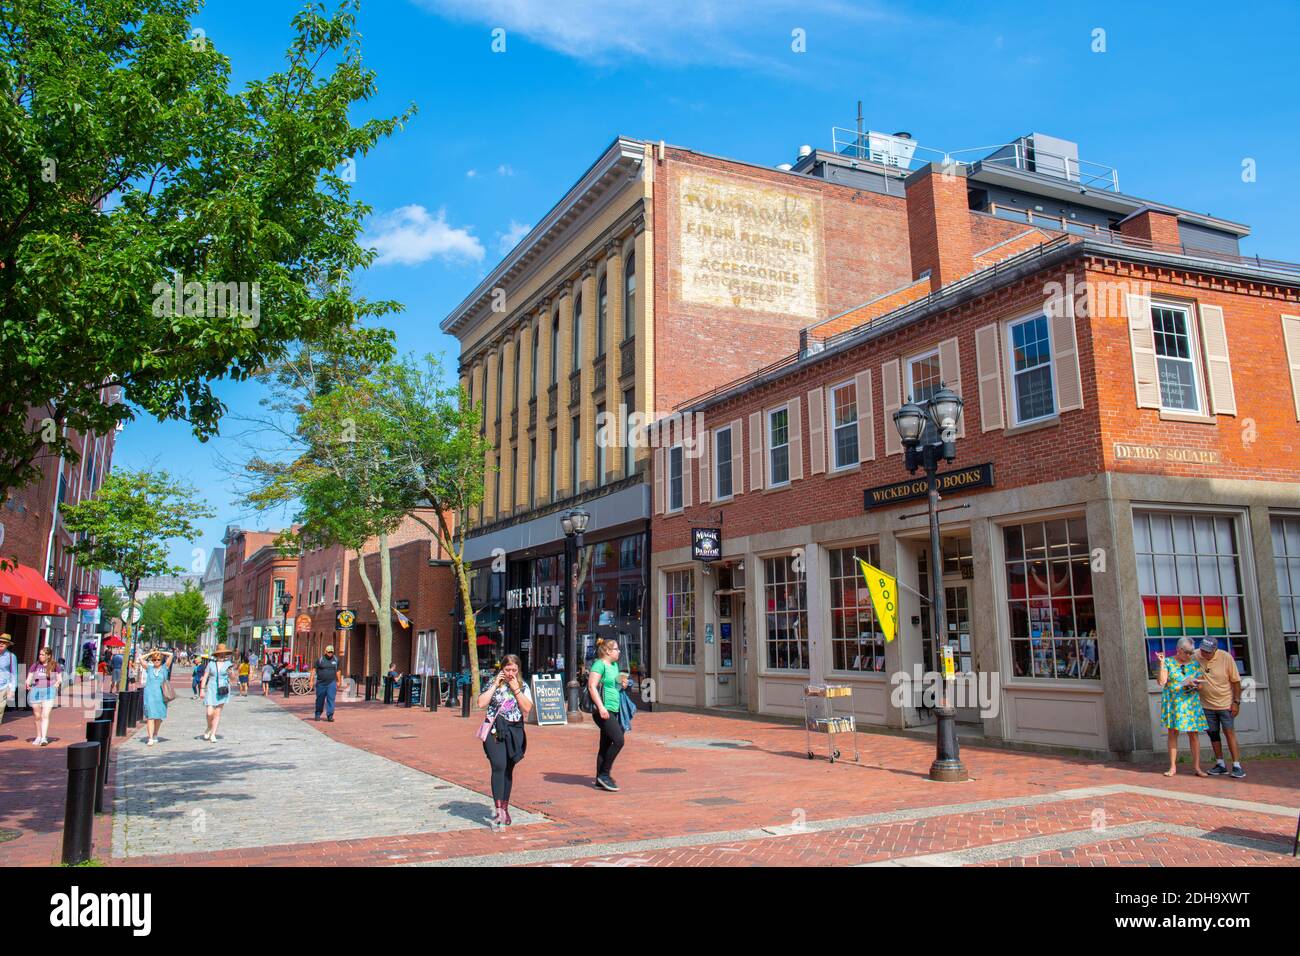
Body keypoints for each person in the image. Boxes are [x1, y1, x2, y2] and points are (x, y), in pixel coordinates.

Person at [476, 654, 532, 827]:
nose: (510, 673)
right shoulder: (493, 682)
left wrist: (516, 689)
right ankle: (498, 809)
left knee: (508, 768)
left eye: (514, 670)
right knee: (498, 765)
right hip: (495, 729)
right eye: (507, 669)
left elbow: (527, 708)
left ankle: (506, 808)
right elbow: (480, 703)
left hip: (514, 730)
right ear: (502, 669)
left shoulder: (523, 685)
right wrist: (495, 684)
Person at [1194, 638, 1246, 778]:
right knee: (1213, 734)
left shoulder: (1226, 657)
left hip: (1225, 703)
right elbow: (1182, 656)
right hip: (1206, 704)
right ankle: (1220, 763)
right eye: (1203, 650)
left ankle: (1236, 765)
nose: (1204, 653)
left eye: (1208, 652)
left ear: (1215, 650)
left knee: (1229, 733)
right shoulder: (1196, 655)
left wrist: (1236, 702)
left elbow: (1236, 682)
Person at [1157, 638, 1209, 777]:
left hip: (1191, 703)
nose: (1189, 655)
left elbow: (1201, 685)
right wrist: (1162, 663)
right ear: (1178, 650)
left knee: (1194, 734)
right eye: (1186, 652)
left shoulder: (1194, 664)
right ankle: (1172, 767)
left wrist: (1196, 684)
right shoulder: (1168, 662)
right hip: (1174, 703)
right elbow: (1162, 682)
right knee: (1173, 733)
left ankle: (1197, 767)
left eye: (1191, 652)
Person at [588, 637, 629, 792]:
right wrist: (601, 707)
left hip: (613, 708)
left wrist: (622, 684)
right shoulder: (599, 664)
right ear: (607, 651)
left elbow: (614, 686)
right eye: (616, 649)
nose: (619, 651)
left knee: (605, 744)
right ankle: (605, 774)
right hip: (603, 710)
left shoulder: (614, 666)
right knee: (618, 740)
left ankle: (600, 779)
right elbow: (592, 686)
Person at [26, 645, 63, 746]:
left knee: (45, 715)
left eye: (43, 654)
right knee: (37, 716)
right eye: (40, 654)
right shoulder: (35, 665)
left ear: (48, 656)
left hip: (49, 691)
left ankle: (44, 738)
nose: (40, 656)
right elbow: (29, 677)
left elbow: (60, 678)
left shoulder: (55, 666)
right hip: (36, 691)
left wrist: (57, 684)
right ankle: (38, 736)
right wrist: (28, 683)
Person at [199, 644, 235, 742]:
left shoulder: (228, 664)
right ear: (217, 654)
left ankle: (213, 734)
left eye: (224, 654)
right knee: (209, 712)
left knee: (217, 712)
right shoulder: (211, 664)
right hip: (211, 688)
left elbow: (232, 679)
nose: (222, 656)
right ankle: (209, 727)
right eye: (220, 654)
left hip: (223, 688)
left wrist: (231, 673)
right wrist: (202, 689)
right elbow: (205, 676)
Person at [139, 649, 174, 746]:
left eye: (158, 659)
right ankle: (150, 737)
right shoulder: (149, 668)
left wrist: (160, 653)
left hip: (161, 696)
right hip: (149, 695)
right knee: (150, 717)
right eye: (154, 660)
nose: (156, 661)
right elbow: (141, 659)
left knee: (158, 718)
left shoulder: (164, 668)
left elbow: (171, 655)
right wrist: (151, 654)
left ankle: (155, 734)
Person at [313, 645, 342, 721]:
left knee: (331, 699)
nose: (330, 653)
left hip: (331, 683)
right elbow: (313, 670)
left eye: (331, 652)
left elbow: (338, 671)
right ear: (325, 652)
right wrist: (311, 680)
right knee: (320, 699)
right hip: (321, 683)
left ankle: (330, 715)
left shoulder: (336, 660)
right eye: (329, 652)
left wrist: (339, 681)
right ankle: (318, 714)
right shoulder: (320, 660)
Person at [0, 634, 17, 726]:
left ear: (8, 644)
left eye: (4, 642)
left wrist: (12, 690)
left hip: (3, 687)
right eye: (0, 642)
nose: (1, 644)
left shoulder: (11, 657)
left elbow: (14, 674)